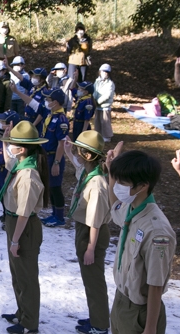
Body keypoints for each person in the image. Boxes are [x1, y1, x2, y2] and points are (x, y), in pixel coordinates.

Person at [105, 148, 176, 334]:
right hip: (121, 301)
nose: (117, 186)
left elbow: (156, 283)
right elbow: (115, 207)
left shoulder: (156, 230)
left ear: (143, 186)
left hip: (141, 313)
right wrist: (111, 171)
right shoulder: (131, 208)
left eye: (123, 183)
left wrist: (150, 328)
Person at [0, 121, 49, 334]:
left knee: (26, 276)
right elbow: (8, 160)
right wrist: (5, 138)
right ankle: (22, 312)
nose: (10, 147)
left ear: (23, 148)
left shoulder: (28, 175)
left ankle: (29, 323)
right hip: (14, 223)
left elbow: (24, 213)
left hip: (24, 227)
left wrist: (15, 240)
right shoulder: (21, 163)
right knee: (17, 273)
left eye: (14, 144)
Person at [64, 131, 110, 334]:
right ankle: (95, 317)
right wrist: (68, 153)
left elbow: (95, 221)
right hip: (85, 230)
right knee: (89, 279)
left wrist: (90, 247)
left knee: (94, 280)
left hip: (92, 233)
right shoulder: (88, 172)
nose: (76, 152)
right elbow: (78, 167)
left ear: (89, 156)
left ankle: (100, 325)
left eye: (78, 150)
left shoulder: (97, 184)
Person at [11, 85, 70, 227]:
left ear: (55, 102)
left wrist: (57, 162)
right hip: (45, 155)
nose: (46, 101)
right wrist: (18, 92)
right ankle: (54, 214)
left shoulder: (61, 120)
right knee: (49, 185)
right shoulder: (49, 113)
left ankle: (59, 216)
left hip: (54, 157)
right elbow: (32, 103)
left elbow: (61, 144)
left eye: (49, 99)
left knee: (55, 187)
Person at [93, 64, 115, 143]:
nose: (104, 73)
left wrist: (98, 101)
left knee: (105, 121)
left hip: (105, 106)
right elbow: (95, 91)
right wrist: (94, 99)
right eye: (103, 71)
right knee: (97, 121)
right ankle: (98, 134)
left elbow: (107, 95)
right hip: (97, 106)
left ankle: (107, 136)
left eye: (106, 72)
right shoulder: (97, 81)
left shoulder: (110, 84)